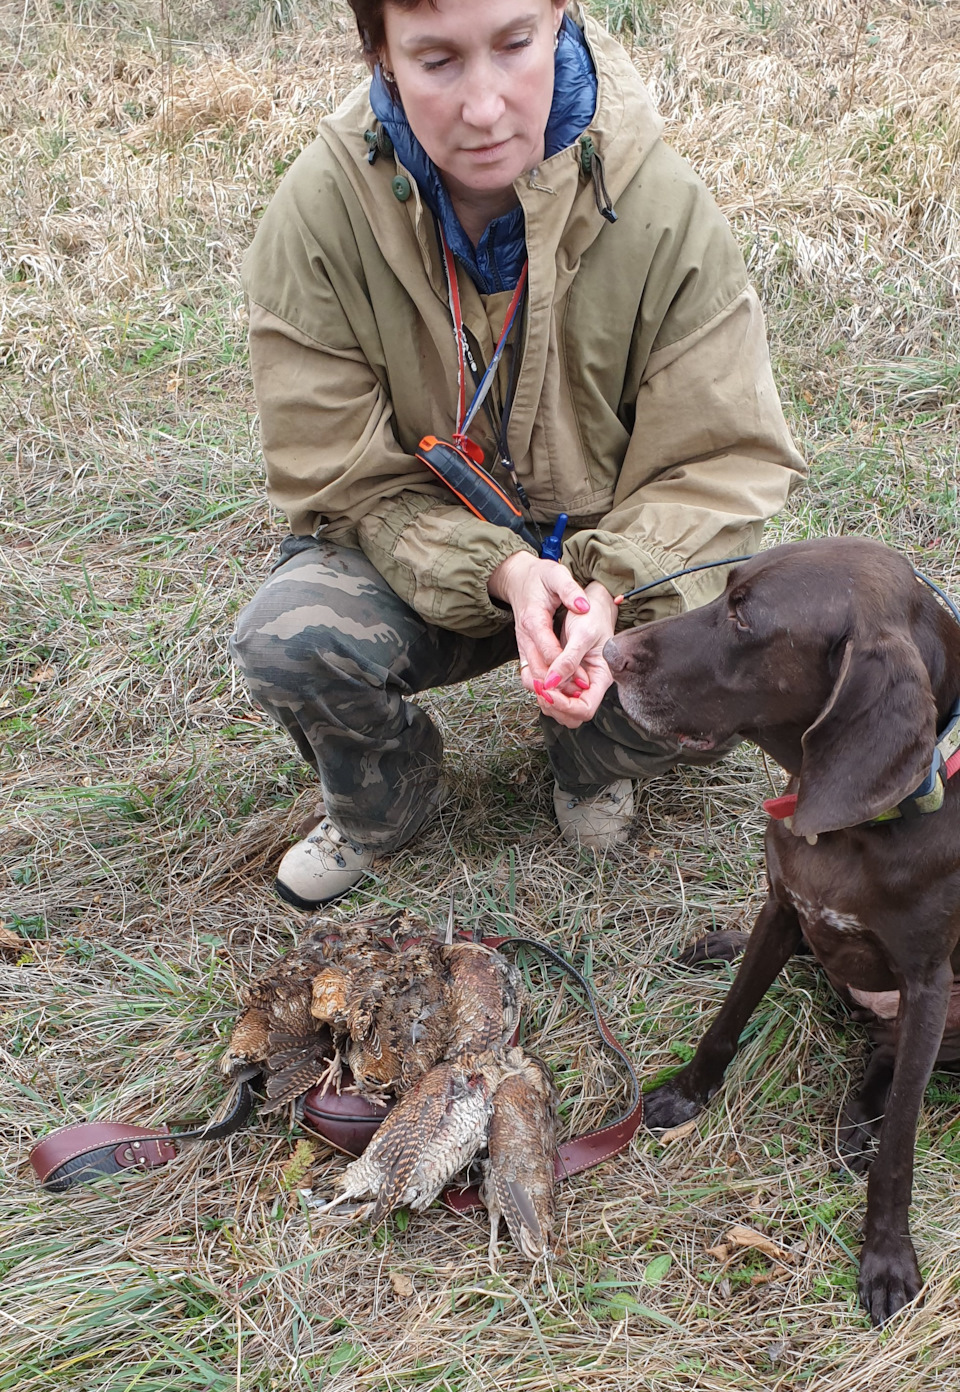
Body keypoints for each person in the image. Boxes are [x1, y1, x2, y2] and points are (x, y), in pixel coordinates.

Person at [230, 0, 805, 910]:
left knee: (746, 650)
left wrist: (612, 589)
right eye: (437, 61)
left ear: (560, 15)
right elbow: (340, 473)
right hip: (424, 546)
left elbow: (723, 460)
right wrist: (501, 572)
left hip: (610, 547)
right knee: (289, 639)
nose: (488, 108)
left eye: (514, 46)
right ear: (379, 52)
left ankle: (592, 757)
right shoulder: (318, 214)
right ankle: (390, 798)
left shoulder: (661, 208)